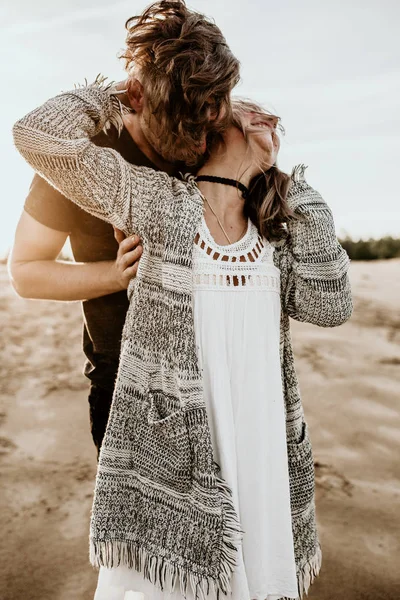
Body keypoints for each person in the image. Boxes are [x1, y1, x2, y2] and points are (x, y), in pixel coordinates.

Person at [13, 76, 353, 599]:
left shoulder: (273, 228)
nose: (269, 121)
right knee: (170, 576)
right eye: (250, 114)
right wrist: (117, 92)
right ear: (209, 129)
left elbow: (331, 305)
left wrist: (289, 182)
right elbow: (38, 139)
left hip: (257, 435)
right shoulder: (155, 199)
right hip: (156, 412)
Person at [8, 0, 240, 458]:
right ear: (136, 95)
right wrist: (115, 276)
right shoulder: (79, 157)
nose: (199, 143)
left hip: (221, 372)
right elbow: (26, 272)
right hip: (126, 384)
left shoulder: (217, 131)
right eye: (184, 124)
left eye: (210, 121)